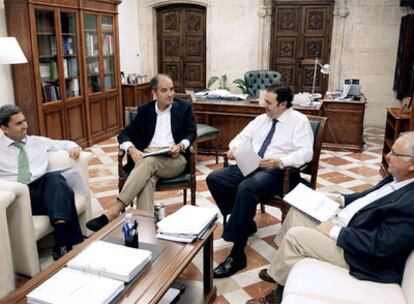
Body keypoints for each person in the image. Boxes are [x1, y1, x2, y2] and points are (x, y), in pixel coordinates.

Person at [247, 131, 414, 304]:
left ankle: (276, 296)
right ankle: (281, 267)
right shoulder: (397, 178)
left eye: (395, 153)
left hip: (360, 254)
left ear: (412, 165)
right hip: (348, 225)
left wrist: (334, 231)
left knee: (296, 237)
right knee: (298, 211)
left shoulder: (411, 203)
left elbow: (380, 245)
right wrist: (340, 199)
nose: (387, 156)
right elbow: (369, 197)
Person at [206, 85, 314, 278]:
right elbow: (241, 138)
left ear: (283, 104)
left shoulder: (299, 121)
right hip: (252, 164)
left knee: (246, 187)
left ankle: (237, 254)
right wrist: (233, 148)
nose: (264, 105)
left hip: (280, 172)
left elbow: (306, 153)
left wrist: (280, 161)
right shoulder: (261, 119)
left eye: (268, 102)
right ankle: (244, 223)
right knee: (215, 178)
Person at [86, 73, 196, 231]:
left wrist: (181, 145)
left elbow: (191, 133)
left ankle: (114, 211)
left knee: (148, 162)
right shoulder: (145, 110)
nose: (170, 94)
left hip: (175, 158)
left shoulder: (184, 107)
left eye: (172, 89)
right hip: (149, 156)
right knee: (147, 180)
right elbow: (124, 134)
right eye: (164, 90)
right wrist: (131, 148)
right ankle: (145, 230)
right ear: (154, 93)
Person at [0, 105, 83, 260]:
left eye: (24, 121)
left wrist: (74, 148)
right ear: (4, 128)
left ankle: (62, 244)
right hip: (16, 197)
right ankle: (65, 242)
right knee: (64, 191)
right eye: (18, 123)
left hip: (42, 193)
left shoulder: (37, 142)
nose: (25, 126)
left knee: (54, 179)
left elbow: (66, 144)